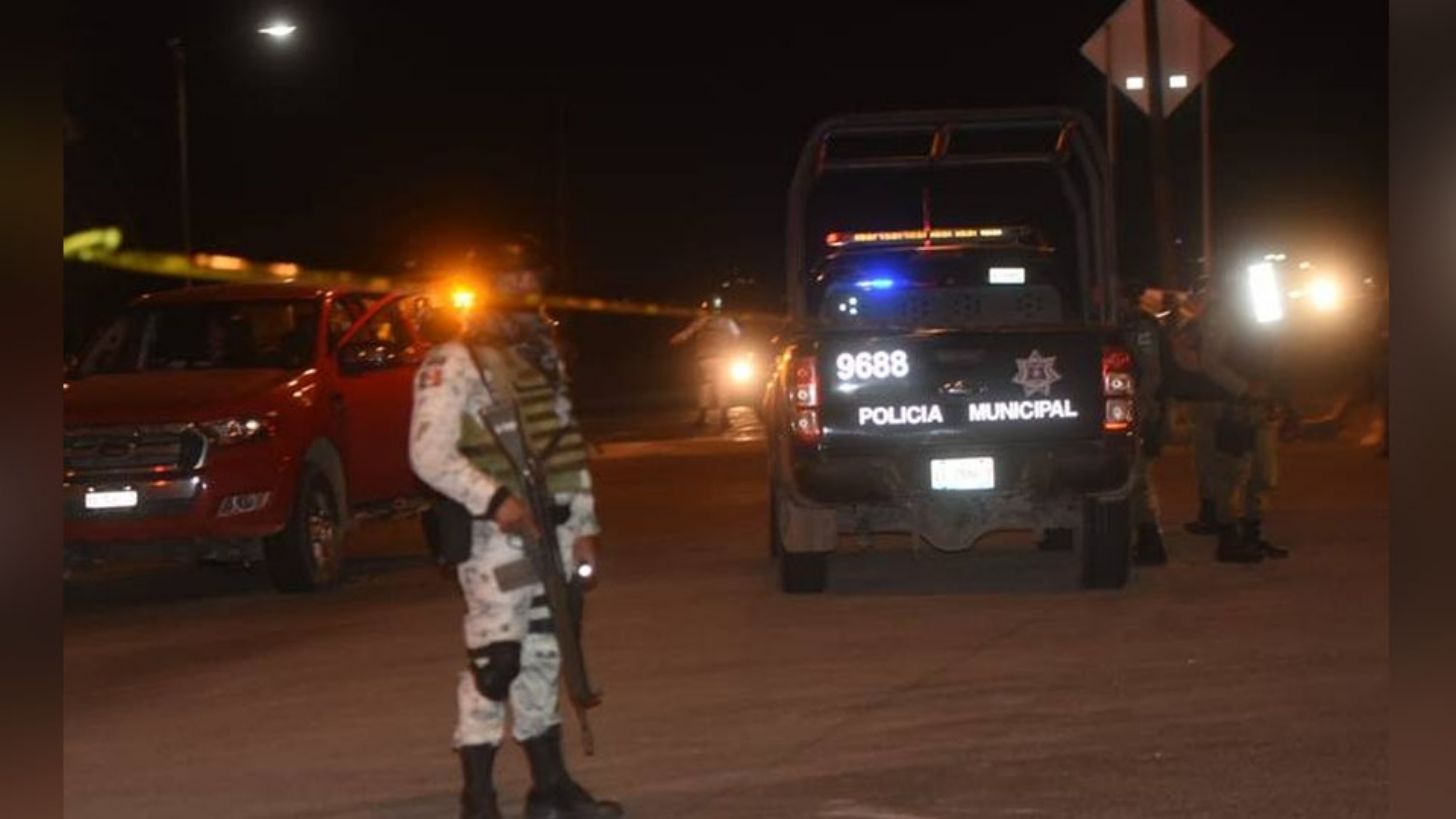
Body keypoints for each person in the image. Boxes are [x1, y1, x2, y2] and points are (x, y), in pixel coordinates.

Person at [409, 248, 623, 819]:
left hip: (552, 535)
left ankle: (549, 789)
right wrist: (495, 500)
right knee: (497, 661)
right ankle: (478, 798)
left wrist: (585, 527)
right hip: (495, 540)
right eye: (514, 280)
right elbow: (427, 455)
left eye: (532, 279)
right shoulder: (452, 362)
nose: (526, 290)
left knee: (547, 654)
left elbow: (566, 448)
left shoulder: (543, 359)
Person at [1196, 267, 1292, 563]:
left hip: (1261, 407)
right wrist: (1243, 388)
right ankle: (1229, 538)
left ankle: (1253, 533)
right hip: (1234, 407)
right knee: (1232, 475)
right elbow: (1209, 362)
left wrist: (1281, 398)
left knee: (1264, 475)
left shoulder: (1266, 314)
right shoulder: (1223, 314)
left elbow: (1277, 359)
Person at [1122, 281, 1171, 566]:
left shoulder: (1140, 326)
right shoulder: (1119, 322)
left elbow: (1152, 374)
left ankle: (1150, 541)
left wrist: (1139, 407)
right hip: (1126, 409)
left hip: (1140, 410)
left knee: (1138, 478)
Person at [670, 291, 742, 430]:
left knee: (705, 386)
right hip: (723, 358)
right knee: (723, 385)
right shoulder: (727, 321)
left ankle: (702, 416)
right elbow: (737, 335)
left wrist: (674, 340)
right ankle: (724, 417)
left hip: (705, 359)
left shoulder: (701, 321)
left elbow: (686, 333)